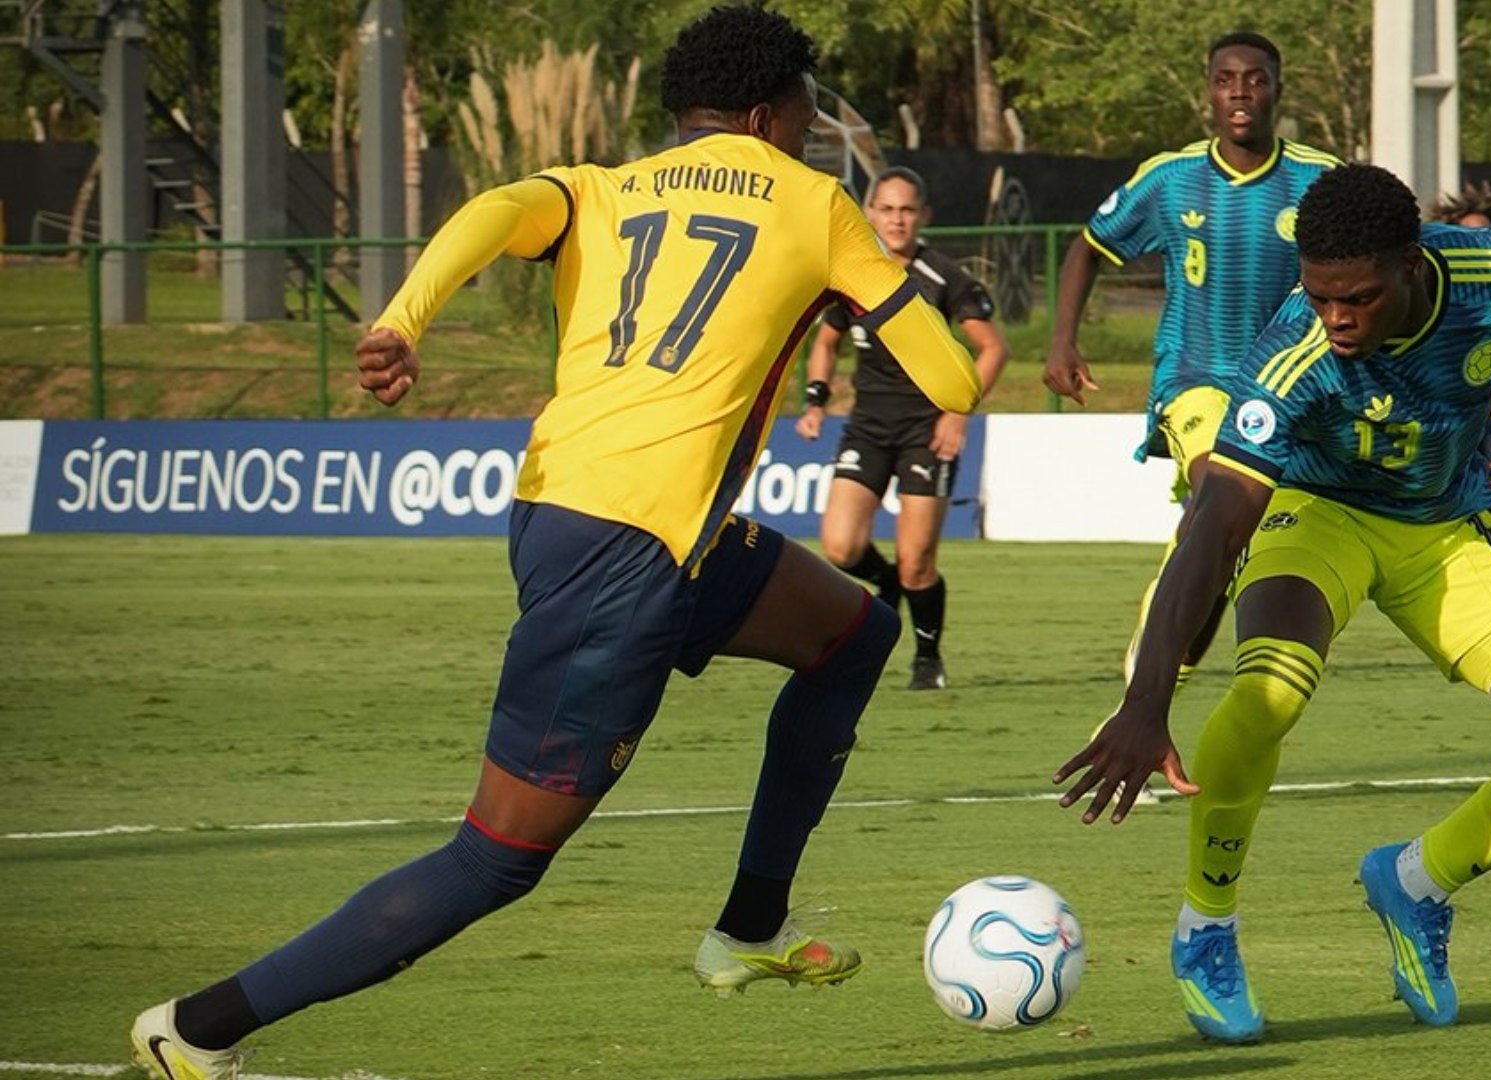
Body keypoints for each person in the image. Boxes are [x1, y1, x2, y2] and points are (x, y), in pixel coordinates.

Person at [129, 7, 981, 1077]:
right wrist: (877, 297)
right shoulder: (816, 204)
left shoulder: (605, 185)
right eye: (810, 109)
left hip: (572, 511)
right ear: (770, 113)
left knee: (852, 634)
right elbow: (949, 380)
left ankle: (750, 929)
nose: (816, 130)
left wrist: (401, 319)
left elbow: (494, 209)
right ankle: (194, 1030)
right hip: (625, 557)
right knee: (496, 857)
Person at [1054, 164, 1491, 1043]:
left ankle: (1417, 882)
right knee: (1269, 689)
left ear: (1413, 263)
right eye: (1319, 296)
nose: (1336, 318)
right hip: (1317, 513)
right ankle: (1207, 925)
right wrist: (1146, 703)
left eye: (1360, 298)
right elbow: (1212, 531)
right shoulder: (1293, 357)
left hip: (1447, 524)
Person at [1042, 31, 1340, 696]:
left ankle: (1155, 691)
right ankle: (1138, 687)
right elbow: (1087, 247)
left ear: (1277, 89)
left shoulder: (1320, 180)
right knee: (1224, 506)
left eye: (1255, 79)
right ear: (1209, 90)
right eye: (1225, 79)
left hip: (1284, 393)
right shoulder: (1171, 179)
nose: (1240, 91)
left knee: (1220, 547)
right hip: (1195, 380)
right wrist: (1062, 340)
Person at [796, 166, 1009, 691]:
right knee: (840, 548)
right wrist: (816, 400)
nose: (896, 220)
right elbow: (825, 341)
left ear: (924, 216)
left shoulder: (944, 277)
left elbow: (993, 348)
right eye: (887, 209)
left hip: (926, 431)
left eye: (907, 210)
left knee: (918, 564)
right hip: (868, 426)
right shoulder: (854, 273)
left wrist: (958, 412)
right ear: (869, 213)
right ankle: (886, 582)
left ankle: (927, 659)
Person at [1432, 181, 1491, 502]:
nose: (1476, 244)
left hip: (1488, 423)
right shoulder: (1426, 295)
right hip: (1435, 423)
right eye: (1466, 235)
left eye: (1485, 236)